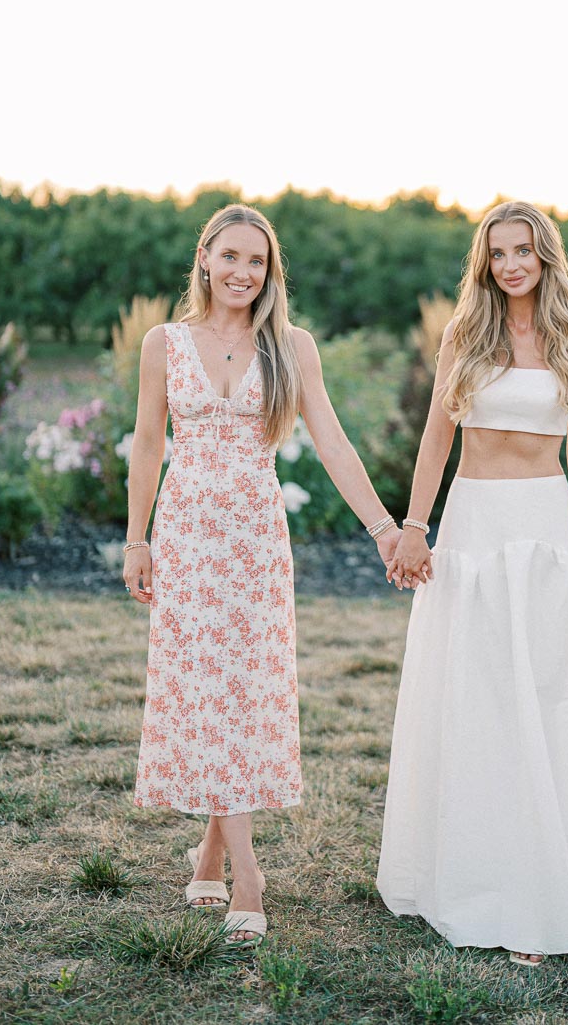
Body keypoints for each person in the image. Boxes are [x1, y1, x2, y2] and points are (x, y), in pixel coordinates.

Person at [377, 200, 568, 966]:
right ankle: (472, 880)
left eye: (523, 251)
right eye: (497, 252)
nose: (510, 265)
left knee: (547, 699)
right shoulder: (465, 336)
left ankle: (545, 889)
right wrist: (414, 524)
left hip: (544, 531)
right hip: (472, 531)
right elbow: (437, 438)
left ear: (545, 257)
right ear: (484, 262)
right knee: (477, 698)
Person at [123, 203, 399, 944]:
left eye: (257, 261)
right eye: (231, 257)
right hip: (184, 535)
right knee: (204, 687)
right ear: (205, 257)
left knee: (240, 689)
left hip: (253, 539)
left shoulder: (290, 345)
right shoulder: (165, 342)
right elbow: (148, 444)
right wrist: (136, 540)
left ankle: (221, 856)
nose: (243, 273)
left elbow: (334, 443)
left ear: (269, 271)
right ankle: (243, 868)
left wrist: (384, 529)